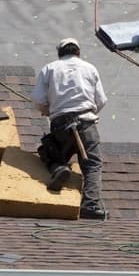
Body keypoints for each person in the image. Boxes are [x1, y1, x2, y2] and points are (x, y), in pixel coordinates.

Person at [32, 38, 110, 220]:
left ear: (60, 53)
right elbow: (101, 100)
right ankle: (90, 205)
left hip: (60, 124)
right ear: (78, 53)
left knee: (50, 153)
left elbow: (37, 99)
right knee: (92, 164)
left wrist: (48, 110)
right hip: (86, 122)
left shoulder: (50, 68)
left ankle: (58, 167)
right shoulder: (89, 68)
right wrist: (88, 112)